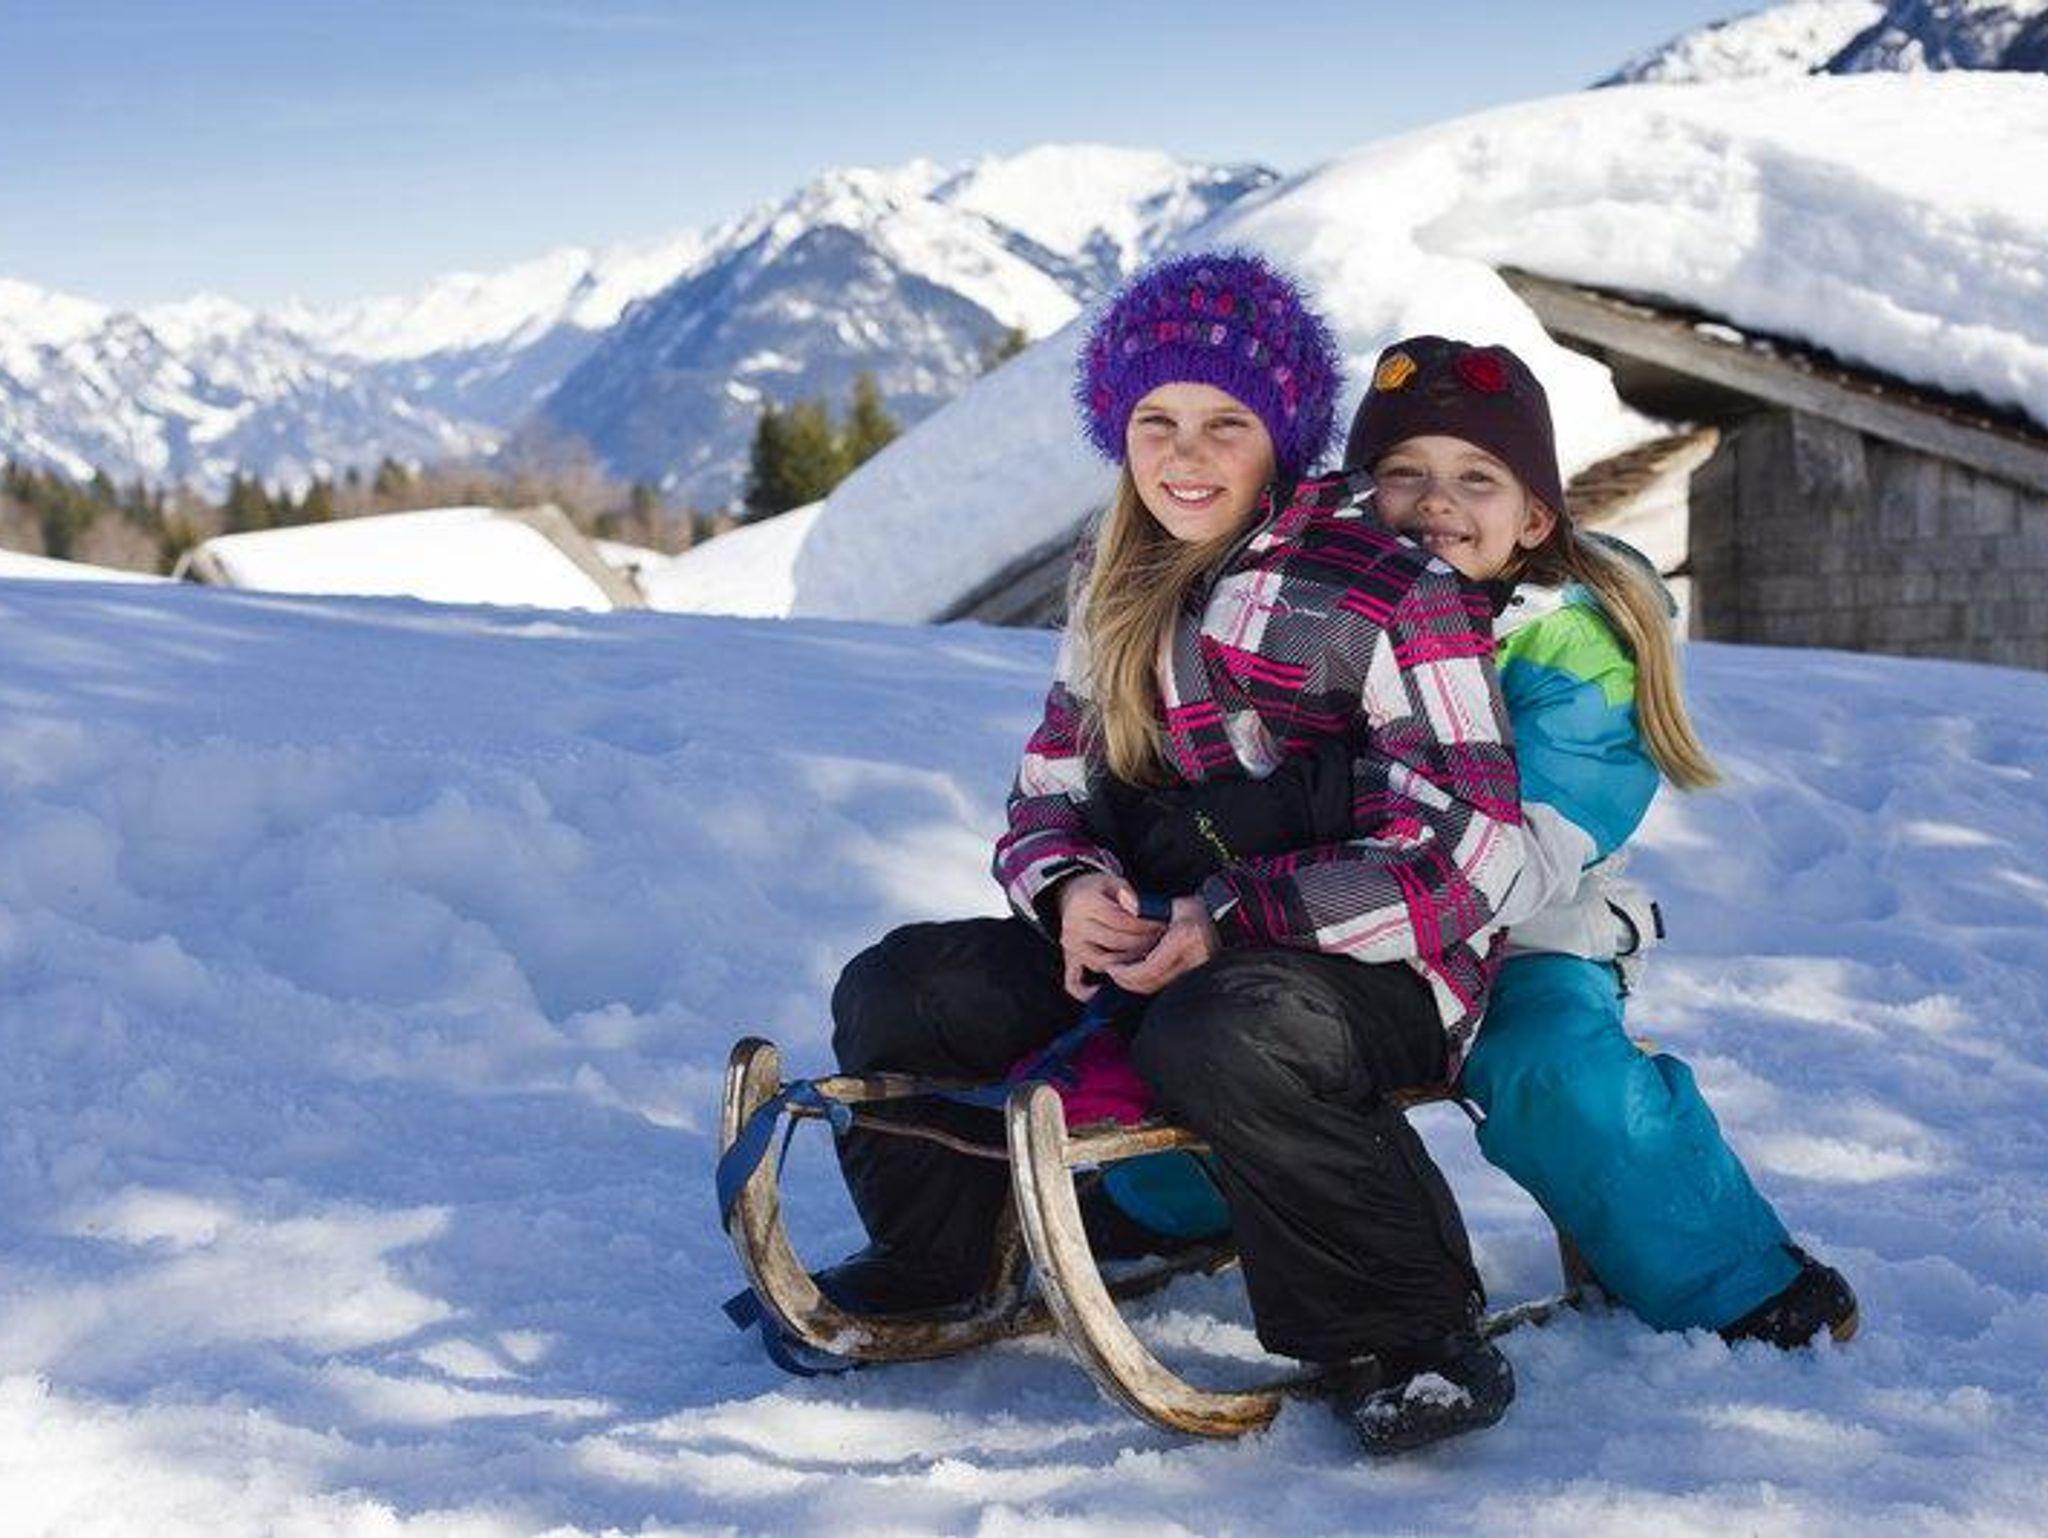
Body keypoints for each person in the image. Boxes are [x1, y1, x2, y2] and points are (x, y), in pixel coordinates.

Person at [821, 255, 1530, 1454]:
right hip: (1152, 941)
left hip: (1366, 969)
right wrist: (1067, 890)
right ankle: (941, 1257)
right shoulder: (1110, 582)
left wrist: (1236, 916)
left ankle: (1409, 1331)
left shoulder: (1387, 592)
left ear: (1280, 439)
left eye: (1223, 423)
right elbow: (1046, 792)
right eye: (1155, 419)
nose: (1184, 454)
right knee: (903, 986)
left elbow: (1473, 850)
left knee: (1223, 1026)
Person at [1096, 334, 1859, 1349]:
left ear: (1533, 515)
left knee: (1551, 1069)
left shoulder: (1570, 645)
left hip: (1523, 937)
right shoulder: (1326, 615)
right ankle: (1154, 1204)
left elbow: (1524, 848)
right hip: (1339, 923)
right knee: (1240, 1047)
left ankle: (1732, 1278)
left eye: (1475, 479)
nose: (1434, 502)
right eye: (1402, 474)